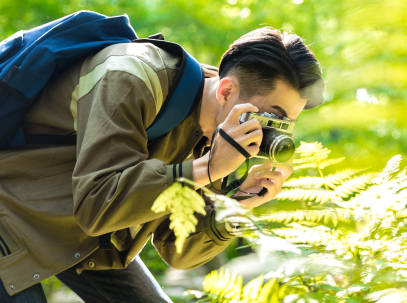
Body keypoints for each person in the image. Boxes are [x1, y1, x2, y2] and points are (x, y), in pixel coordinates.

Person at [0, 26, 324, 302]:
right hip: (14, 210)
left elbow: (177, 250)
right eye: (271, 117)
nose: (272, 133)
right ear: (226, 90)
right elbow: (98, 204)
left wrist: (235, 205)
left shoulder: (220, 130)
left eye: (285, 124)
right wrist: (206, 169)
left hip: (83, 233)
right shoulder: (131, 75)